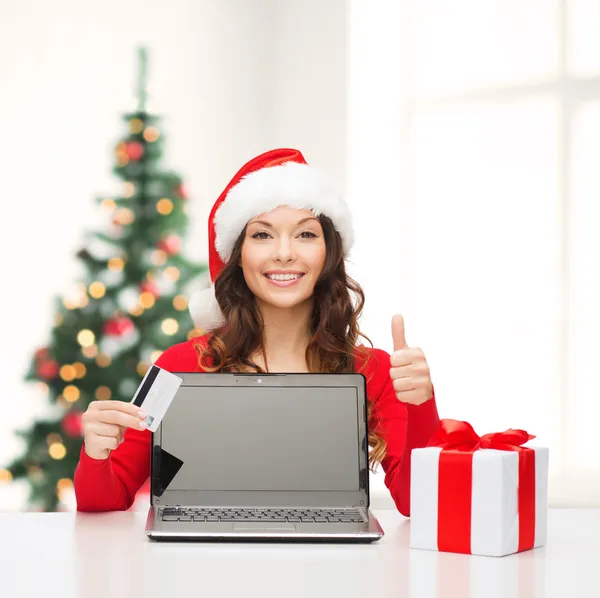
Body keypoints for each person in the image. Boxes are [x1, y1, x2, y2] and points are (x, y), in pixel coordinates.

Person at [73, 148, 440, 516]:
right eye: (262, 235)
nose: (284, 254)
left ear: (328, 252)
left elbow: (419, 504)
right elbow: (104, 499)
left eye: (306, 235)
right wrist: (95, 452)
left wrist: (422, 405)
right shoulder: (177, 365)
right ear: (238, 255)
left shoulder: (374, 369)